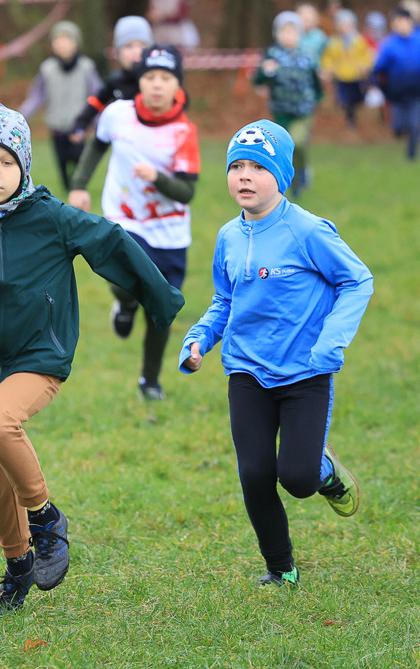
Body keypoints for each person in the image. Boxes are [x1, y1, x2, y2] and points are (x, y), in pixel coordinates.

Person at [0, 102, 184, 616]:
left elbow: (112, 241)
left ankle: (47, 520)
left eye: (5, 162)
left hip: (38, 355)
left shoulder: (50, 217)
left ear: (23, 167)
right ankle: (18, 566)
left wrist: (159, 299)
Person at [179, 120, 372, 587]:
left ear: (281, 176)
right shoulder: (227, 236)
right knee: (256, 474)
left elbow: (358, 280)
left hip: (306, 372)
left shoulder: (307, 230)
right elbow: (225, 301)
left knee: (298, 479)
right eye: (236, 167)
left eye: (258, 168)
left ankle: (323, 470)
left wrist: (331, 342)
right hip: (246, 371)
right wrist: (200, 338)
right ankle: (280, 568)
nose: (244, 176)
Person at [68, 45, 199, 401]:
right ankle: (125, 302)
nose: (157, 85)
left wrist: (157, 177)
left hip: (170, 231)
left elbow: (187, 193)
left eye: (165, 78)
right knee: (126, 278)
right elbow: (97, 146)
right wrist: (79, 186)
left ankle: (150, 382)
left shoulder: (184, 132)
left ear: (177, 86)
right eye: (150, 77)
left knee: (163, 308)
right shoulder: (117, 114)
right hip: (124, 218)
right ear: (139, 82)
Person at [18, 20, 103, 191]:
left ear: (76, 43)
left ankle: (79, 190)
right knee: (63, 165)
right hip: (57, 129)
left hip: (79, 129)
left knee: (79, 163)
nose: (63, 44)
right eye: (59, 40)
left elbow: (97, 96)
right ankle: (67, 190)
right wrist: (19, 118)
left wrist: (99, 121)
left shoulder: (87, 68)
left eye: (67, 40)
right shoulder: (47, 69)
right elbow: (36, 97)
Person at [254, 11, 322, 197]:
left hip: (303, 110)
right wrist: (265, 72)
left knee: (298, 142)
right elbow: (257, 80)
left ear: (299, 33)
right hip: (280, 111)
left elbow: (316, 81)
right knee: (283, 147)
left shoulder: (307, 56)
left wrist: (318, 99)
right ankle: (287, 180)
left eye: (292, 31)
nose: (288, 35)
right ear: (277, 33)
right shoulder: (271, 55)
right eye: (284, 31)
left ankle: (301, 173)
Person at [72, 15, 153, 137]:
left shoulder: (157, 81)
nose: (136, 51)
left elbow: (178, 100)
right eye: (128, 46)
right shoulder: (115, 81)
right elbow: (96, 103)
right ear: (117, 52)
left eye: (142, 45)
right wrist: (80, 125)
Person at [372, 7, 420, 160]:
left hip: (416, 91)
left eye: (401, 21)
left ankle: (411, 154)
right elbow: (379, 67)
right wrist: (376, 85)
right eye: (396, 22)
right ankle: (400, 131)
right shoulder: (389, 44)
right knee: (398, 125)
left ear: (409, 21)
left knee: (414, 124)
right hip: (396, 92)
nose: (399, 25)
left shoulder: (418, 40)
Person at [320, 9, 374, 129]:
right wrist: (328, 69)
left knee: (356, 97)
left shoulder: (359, 40)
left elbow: (366, 55)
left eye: (346, 24)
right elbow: (328, 57)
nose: (344, 27)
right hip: (341, 75)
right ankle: (349, 119)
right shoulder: (333, 41)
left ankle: (355, 113)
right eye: (341, 24)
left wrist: (365, 66)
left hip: (355, 75)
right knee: (344, 99)